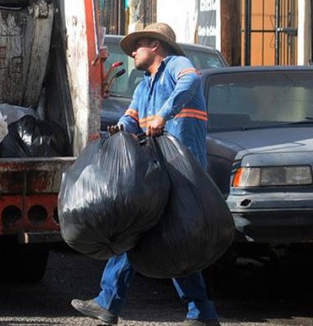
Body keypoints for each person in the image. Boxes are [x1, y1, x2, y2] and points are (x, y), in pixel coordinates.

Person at [71, 23, 220, 326]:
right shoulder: (143, 86)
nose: (133, 53)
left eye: (137, 46)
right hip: (156, 170)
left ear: (155, 45)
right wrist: (119, 130)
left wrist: (164, 114)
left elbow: (191, 82)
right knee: (152, 234)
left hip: (181, 168)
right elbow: (131, 118)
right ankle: (197, 311)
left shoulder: (177, 65)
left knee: (160, 236)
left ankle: (113, 303)